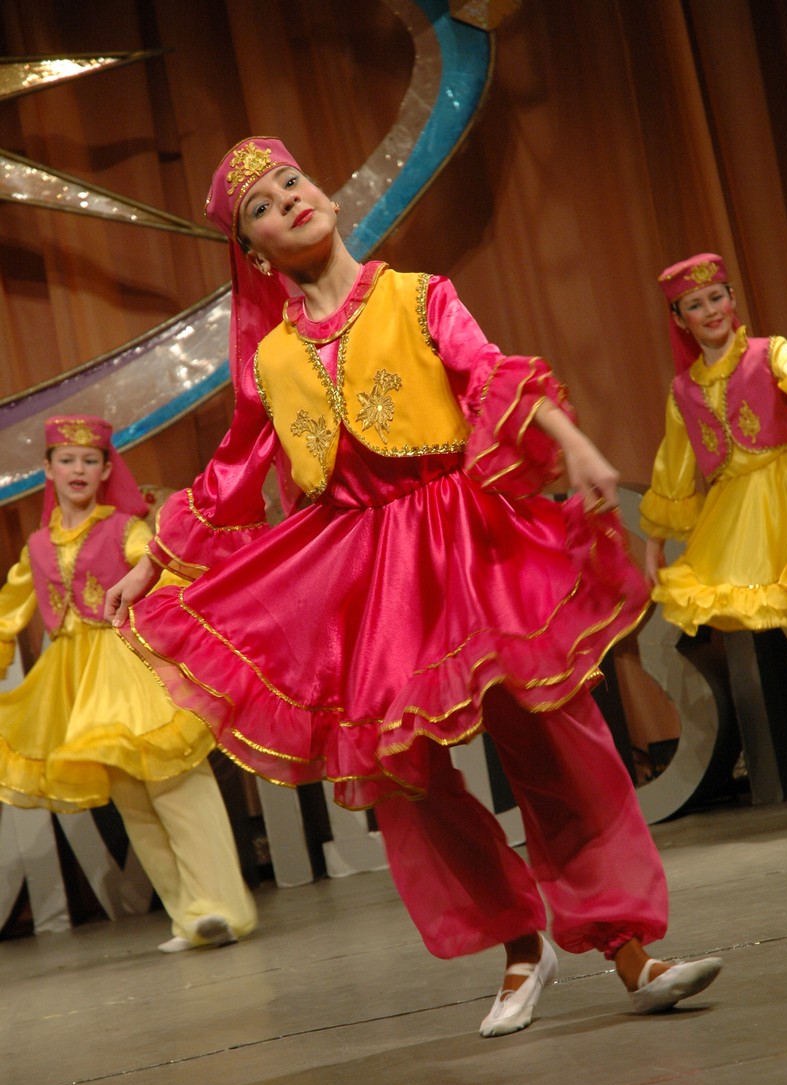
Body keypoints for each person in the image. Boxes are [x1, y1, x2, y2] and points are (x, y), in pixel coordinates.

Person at [105, 137, 722, 1034]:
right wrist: (149, 563)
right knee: (404, 777)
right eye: (262, 208)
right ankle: (518, 943)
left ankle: (628, 948)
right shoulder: (271, 358)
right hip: (362, 573)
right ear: (254, 251)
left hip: (462, 539)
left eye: (291, 183)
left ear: (324, 195)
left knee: (549, 739)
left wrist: (576, 445)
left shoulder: (417, 294)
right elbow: (233, 470)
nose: (288, 202)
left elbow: (489, 372)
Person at [0, 414, 257, 953]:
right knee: (133, 803)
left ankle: (223, 907)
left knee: (177, 788)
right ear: (47, 469)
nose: (77, 469)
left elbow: (161, 571)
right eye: (66, 460)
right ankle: (189, 918)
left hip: (132, 671)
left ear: (104, 470)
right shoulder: (38, 546)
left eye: (89, 460)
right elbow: (7, 615)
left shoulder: (126, 528)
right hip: (78, 689)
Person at [641, 252, 787, 640]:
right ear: (680, 319)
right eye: (695, 305)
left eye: (716, 297)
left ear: (732, 299)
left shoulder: (769, 352)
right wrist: (654, 542)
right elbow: (673, 468)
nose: (710, 311)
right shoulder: (684, 391)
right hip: (744, 519)